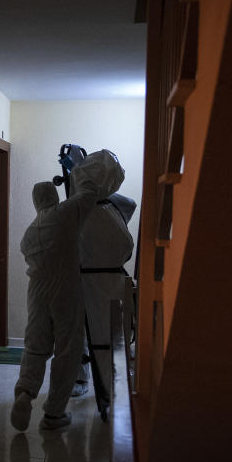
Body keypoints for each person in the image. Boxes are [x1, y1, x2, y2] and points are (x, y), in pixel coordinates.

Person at [10, 155, 112, 431]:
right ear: (53, 196)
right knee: (68, 349)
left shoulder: (28, 235)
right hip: (65, 291)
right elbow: (90, 195)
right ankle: (54, 413)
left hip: (37, 294)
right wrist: (79, 171)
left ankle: (25, 393)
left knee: (35, 346)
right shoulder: (65, 213)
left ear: (35, 202)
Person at [73, 156, 133, 420]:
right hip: (98, 284)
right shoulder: (101, 210)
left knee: (111, 343)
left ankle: (113, 394)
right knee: (101, 343)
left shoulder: (110, 207)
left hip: (105, 284)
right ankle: (109, 394)